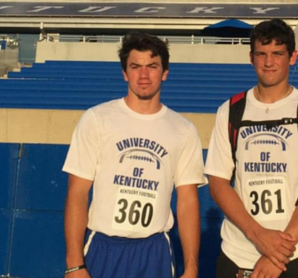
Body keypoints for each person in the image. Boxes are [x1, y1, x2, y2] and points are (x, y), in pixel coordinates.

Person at [62, 32, 206, 278]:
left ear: (165, 72)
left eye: (152, 66)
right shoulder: (97, 119)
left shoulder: (183, 129)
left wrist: (191, 267)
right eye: (135, 67)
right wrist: (75, 264)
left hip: (155, 251)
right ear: (125, 73)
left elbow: (188, 202)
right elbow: (77, 193)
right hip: (103, 248)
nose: (143, 75)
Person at [205, 19, 298, 278]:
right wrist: (259, 236)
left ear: (292, 57)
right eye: (261, 54)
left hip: (296, 252)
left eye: (277, 54)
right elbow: (218, 184)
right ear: (250, 58)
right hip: (239, 252)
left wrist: (278, 254)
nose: (268, 62)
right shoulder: (231, 110)